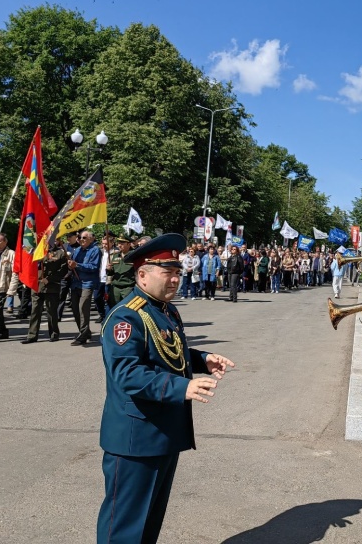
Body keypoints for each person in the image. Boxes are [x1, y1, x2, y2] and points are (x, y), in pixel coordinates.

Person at [96, 233, 234, 543]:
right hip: (136, 439)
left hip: (163, 434)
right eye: (166, 272)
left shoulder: (165, 310)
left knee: (148, 523)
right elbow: (127, 373)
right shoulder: (126, 317)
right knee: (124, 527)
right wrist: (180, 387)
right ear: (142, 275)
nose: (174, 280)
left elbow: (168, 354)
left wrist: (202, 359)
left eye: (177, 272)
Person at [23, 241, 68, 343]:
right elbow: (28, 266)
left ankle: (54, 333)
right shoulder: (35, 251)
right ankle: (32, 335)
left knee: (51, 311)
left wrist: (50, 279)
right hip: (37, 285)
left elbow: (63, 270)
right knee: (35, 311)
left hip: (51, 287)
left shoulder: (60, 253)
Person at [68, 230, 101, 345]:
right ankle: (85, 332)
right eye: (80, 237)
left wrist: (77, 265)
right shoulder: (76, 250)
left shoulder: (95, 250)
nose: (81, 239)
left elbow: (94, 267)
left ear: (91, 239)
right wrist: (70, 264)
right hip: (76, 283)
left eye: (84, 237)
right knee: (76, 309)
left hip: (87, 283)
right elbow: (72, 265)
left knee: (83, 308)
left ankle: (82, 336)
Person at [106, 235, 136, 306]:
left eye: (122, 243)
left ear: (128, 244)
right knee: (114, 308)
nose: (119, 245)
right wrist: (109, 269)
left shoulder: (134, 255)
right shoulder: (115, 255)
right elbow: (111, 273)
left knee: (128, 308)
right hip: (115, 288)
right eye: (118, 243)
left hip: (128, 288)